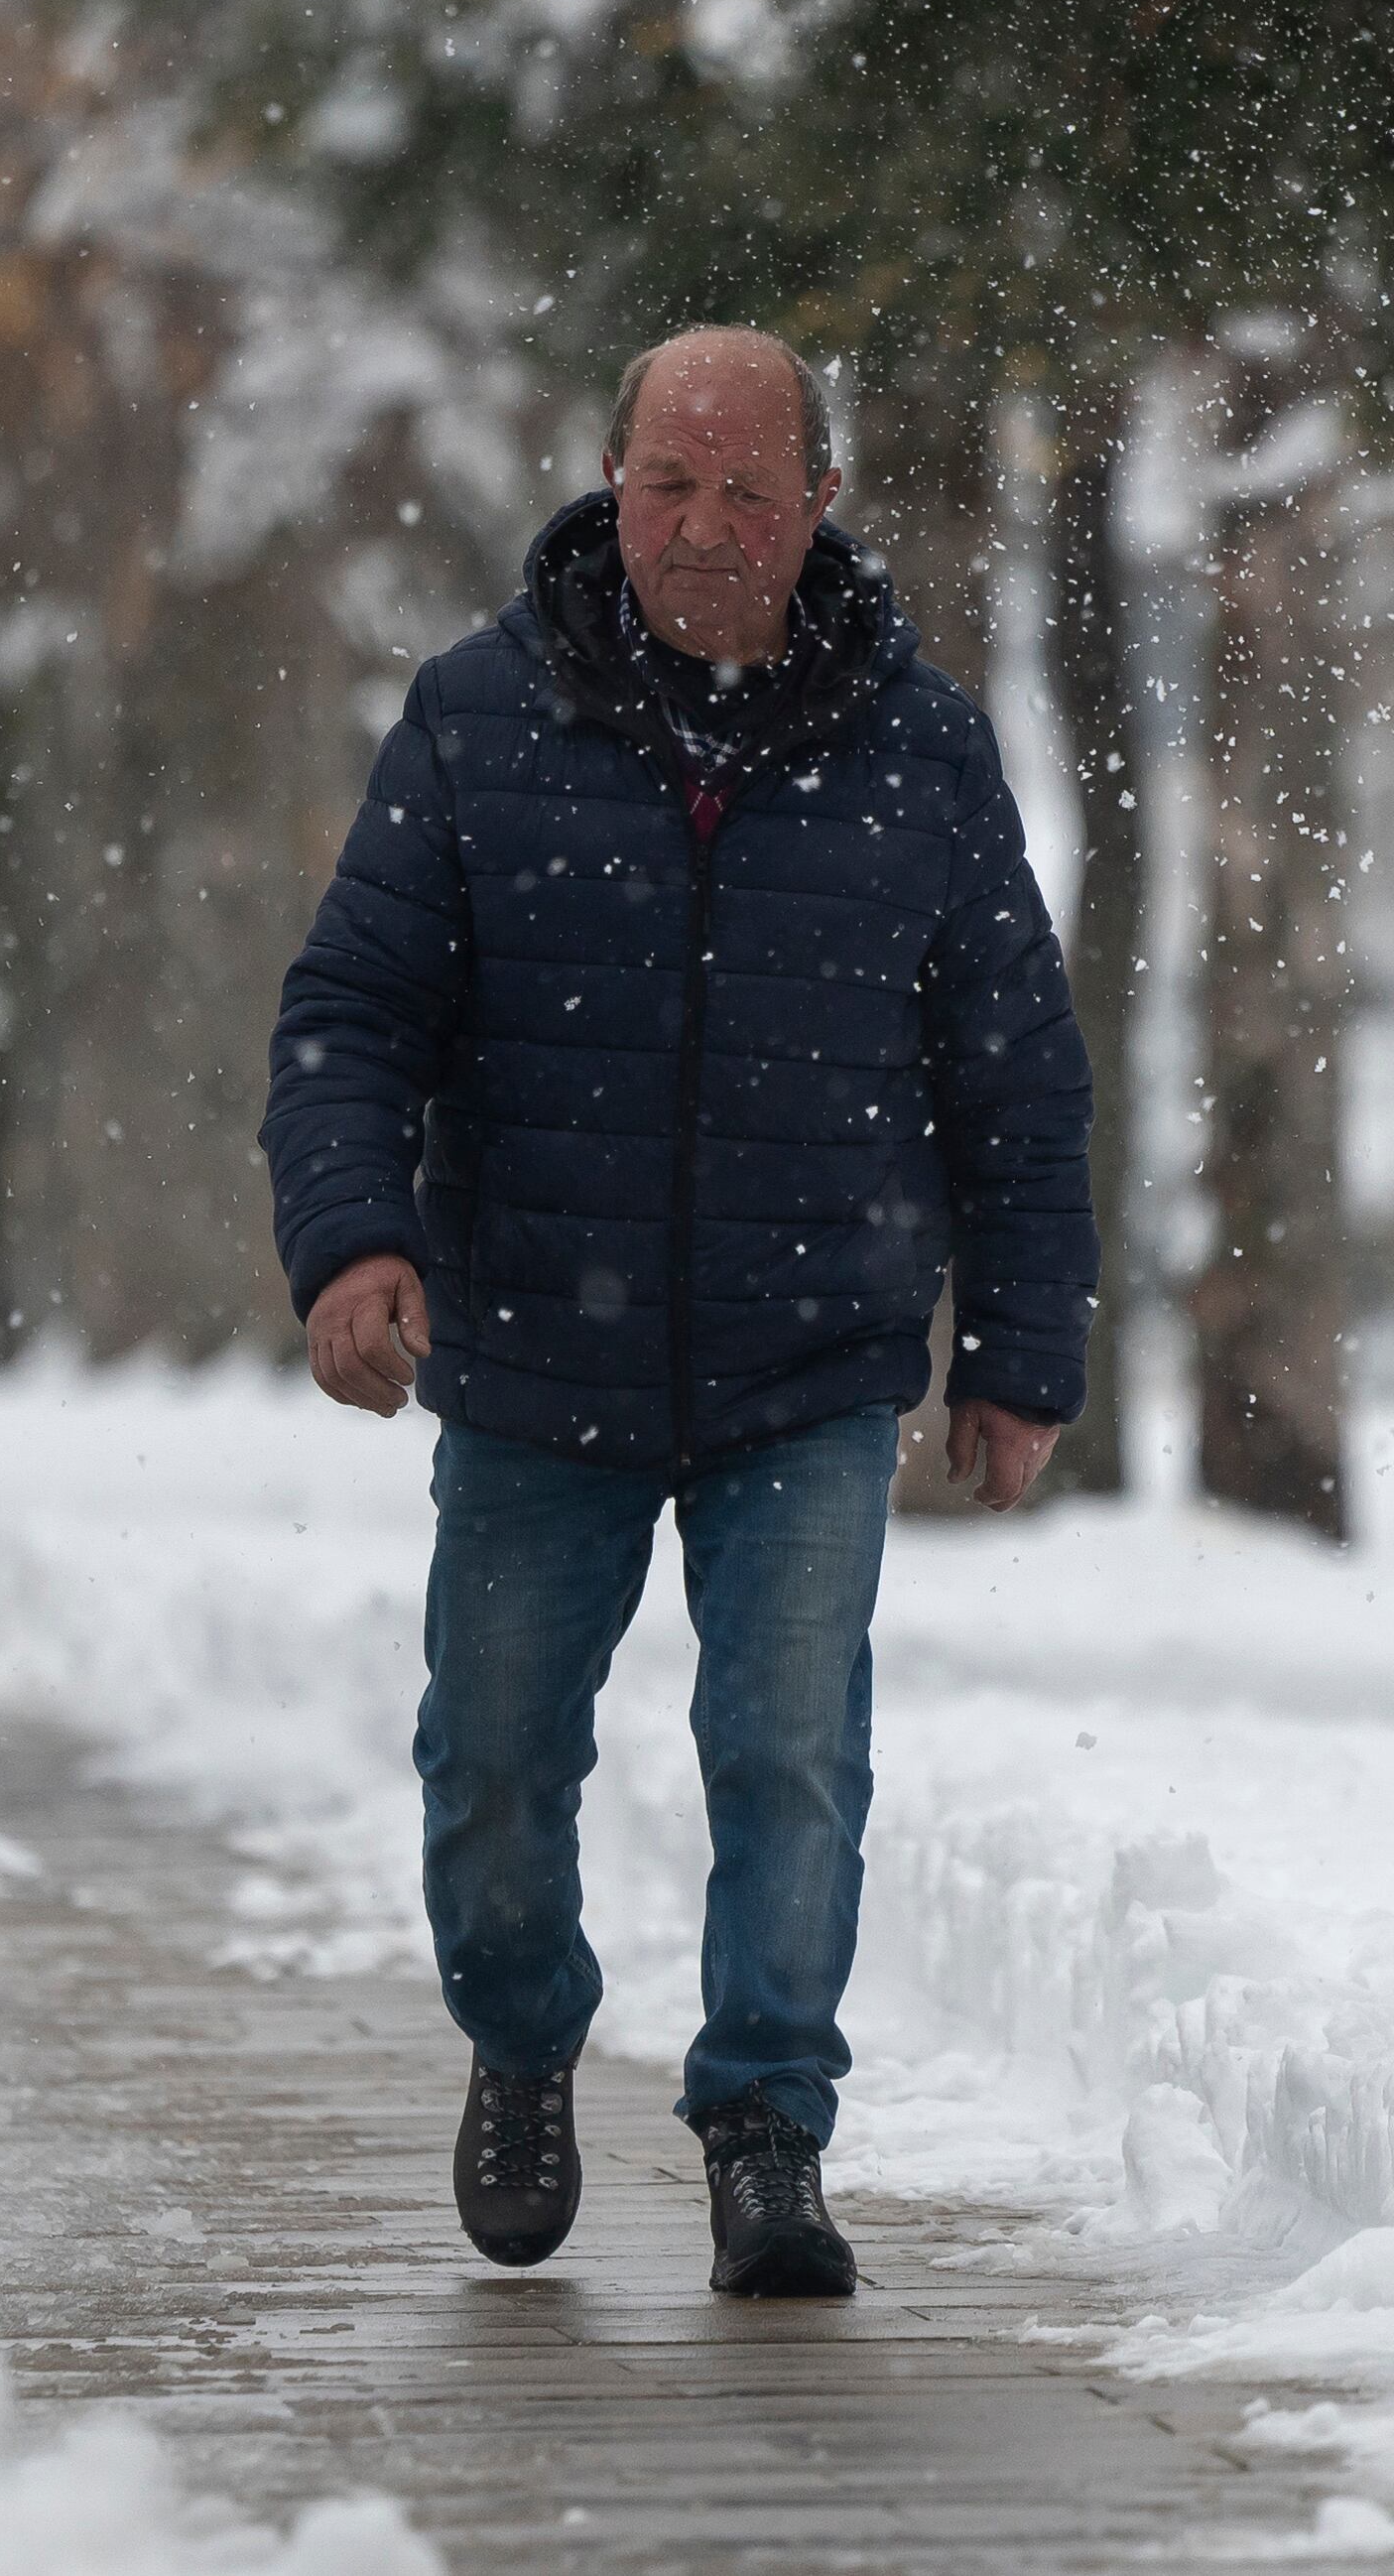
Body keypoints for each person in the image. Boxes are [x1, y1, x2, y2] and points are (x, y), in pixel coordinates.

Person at [260, 325, 1097, 2299]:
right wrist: (355, 1242)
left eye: (748, 489)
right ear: (606, 485)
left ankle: (767, 2131)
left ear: (818, 506)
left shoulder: (922, 748)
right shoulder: (478, 717)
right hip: (538, 1357)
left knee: (790, 1748)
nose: (706, 526)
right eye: (669, 484)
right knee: (488, 1763)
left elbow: (1017, 1073)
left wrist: (1021, 1348)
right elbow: (349, 1021)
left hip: (809, 1362)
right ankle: (527, 2035)